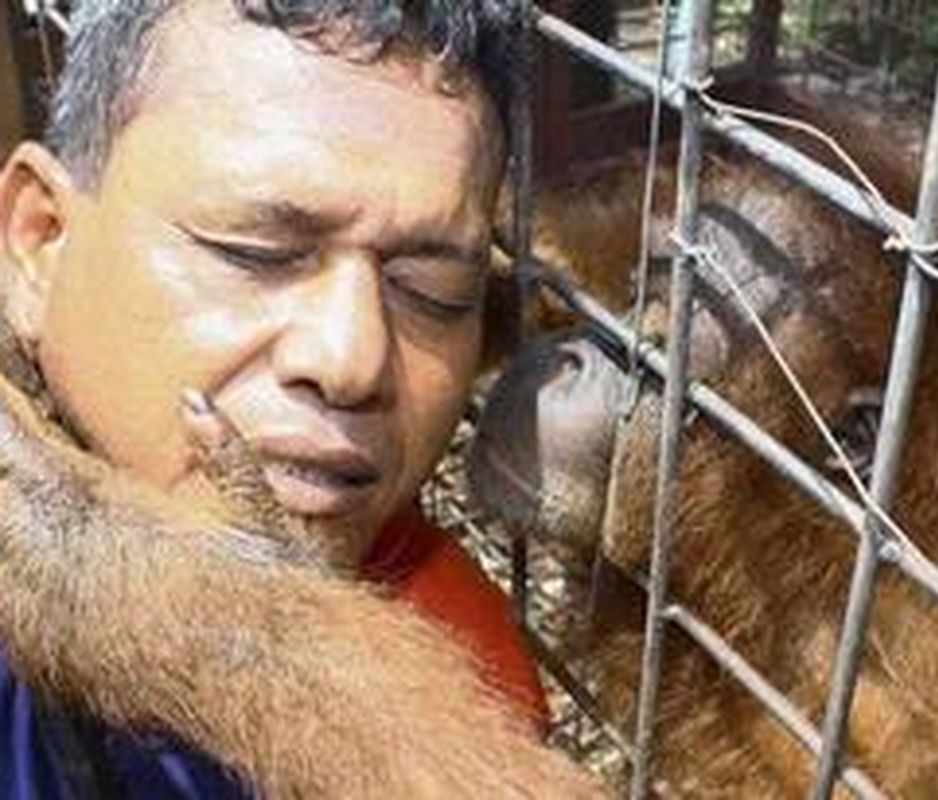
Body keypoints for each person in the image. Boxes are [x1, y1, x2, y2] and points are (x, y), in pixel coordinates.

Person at [0, 1, 559, 796]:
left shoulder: (460, 659)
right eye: (254, 252)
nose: (352, 358)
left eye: (434, 293)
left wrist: (208, 621)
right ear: (40, 242)